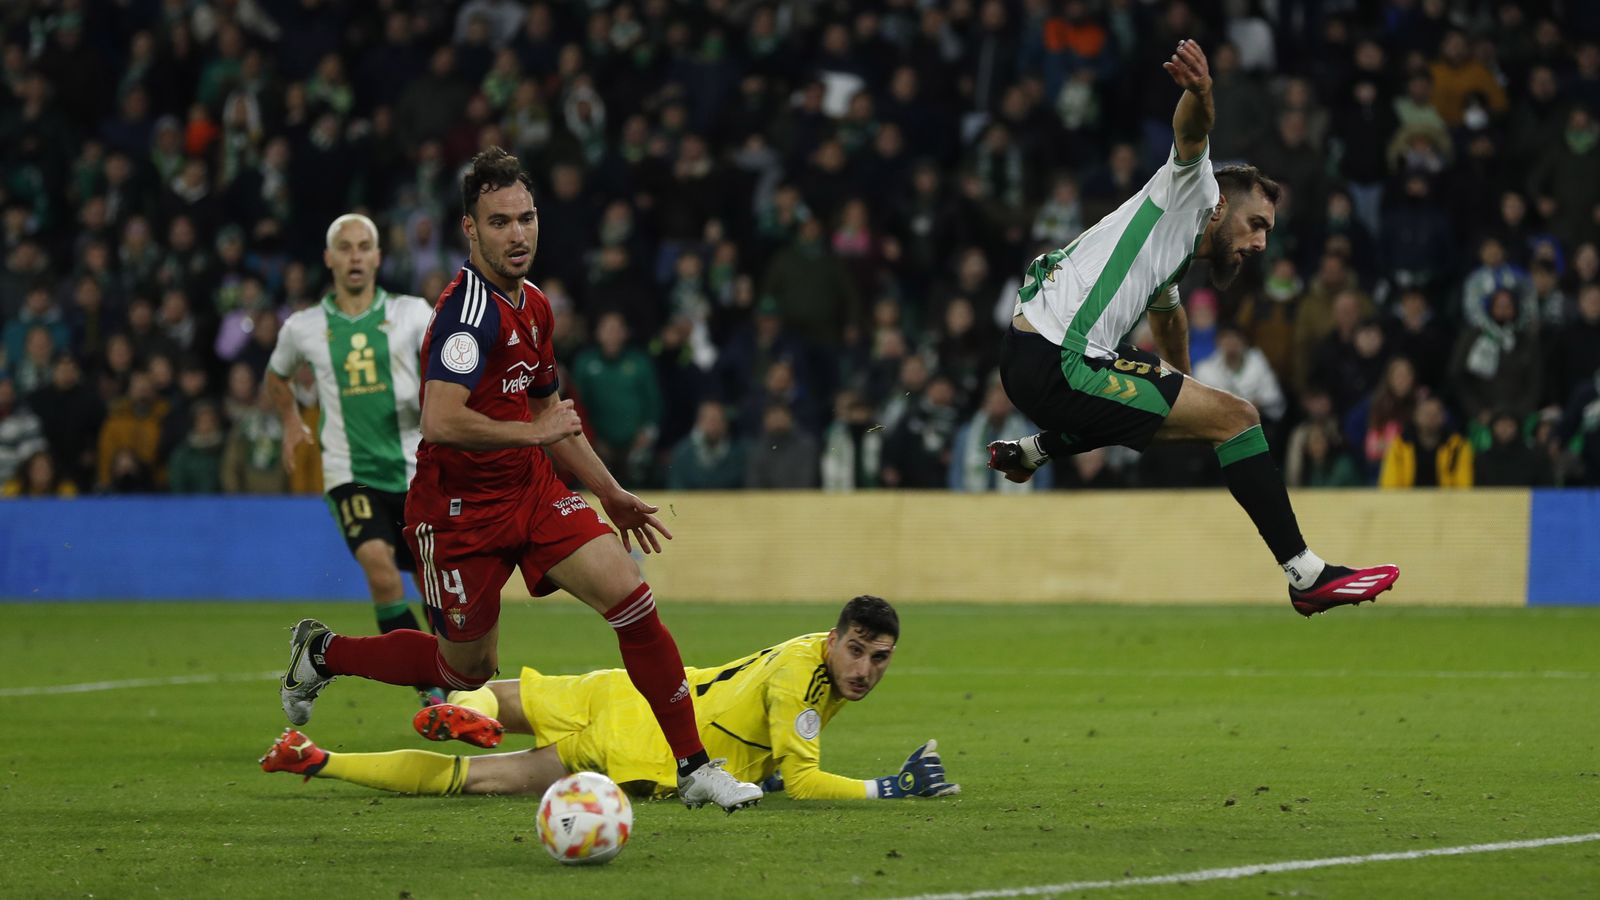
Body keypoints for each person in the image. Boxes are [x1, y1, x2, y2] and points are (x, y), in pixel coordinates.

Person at [278, 147, 762, 813]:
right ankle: (323, 652)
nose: (518, 234)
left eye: (526, 219)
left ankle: (694, 768)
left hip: (530, 491)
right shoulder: (464, 317)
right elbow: (442, 419)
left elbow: (548, 413)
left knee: (631, 597)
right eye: (499, 222)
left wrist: (610, 492)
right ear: (470, 229)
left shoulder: (533, 304)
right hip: (457, 511)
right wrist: (533, 435)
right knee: (462, 669)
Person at [986, 40, 1399, 617]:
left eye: (1268, 232)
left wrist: (1181, 389)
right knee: (1238, 418)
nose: (1260, 242)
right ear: (1222, 204)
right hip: (1059, 355)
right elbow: (1191, 134)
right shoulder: (1193, 189)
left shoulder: (1168, 249)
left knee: (1183, 409)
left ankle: (1030, 452)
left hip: (1036, 355)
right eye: (1256, 223)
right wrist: (1202, 93)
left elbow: (1169, 318)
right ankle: (1306, 575)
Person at [261, 596, 959, 802]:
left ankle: (457, 708)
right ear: (836, 639)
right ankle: (318, 759)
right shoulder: (803, 686)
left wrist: (765, 768)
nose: (864, 670)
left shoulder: (812, 649)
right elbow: (804, 780)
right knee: (476, 779)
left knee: (486, 689)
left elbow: (770, 740)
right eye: (857, 651)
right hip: (648, 746)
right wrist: (890, 787)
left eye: (879, 659)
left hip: (634, 688)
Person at [264, 214, 441, 706]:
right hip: (351, 475)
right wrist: (291, 420)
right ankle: (431, 691)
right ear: (329, 258)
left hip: (416, 473)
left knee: (433, 583)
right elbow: (277, 376)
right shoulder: (304, 327)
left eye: (364, 246)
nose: (355, 255)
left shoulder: (413, 313)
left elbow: (449, 364)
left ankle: (452, 673)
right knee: (380, 570)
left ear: (378, 257)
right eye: (345, 247)